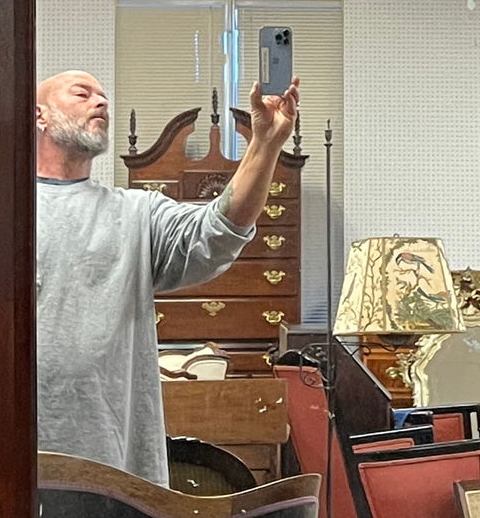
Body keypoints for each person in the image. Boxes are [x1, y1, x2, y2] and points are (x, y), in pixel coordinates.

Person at [34, 69, 300, 485]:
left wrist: (265, 145)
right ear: (39, 116)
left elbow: (217, 232)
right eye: (82, 93)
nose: (101, 102)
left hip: (117, 466)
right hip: (18, 462)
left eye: (104, 95)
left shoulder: (136, 213)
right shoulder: (1, 209)